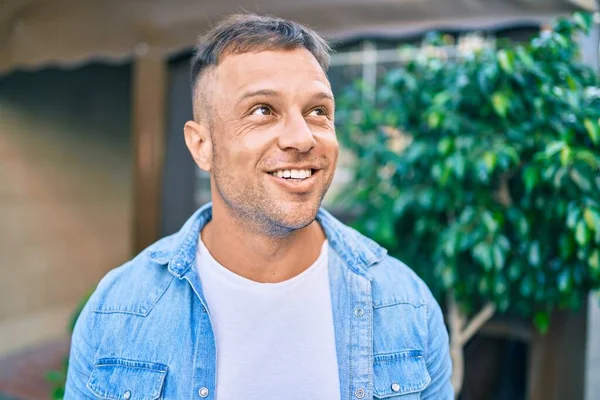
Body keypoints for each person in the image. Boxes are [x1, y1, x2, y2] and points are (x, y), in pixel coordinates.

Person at [65, 13, 452, 400]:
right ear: (202, 146)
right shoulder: (118, 311)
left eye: (318, 111)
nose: (302, 139)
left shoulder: (406, 304)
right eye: (263, 110)